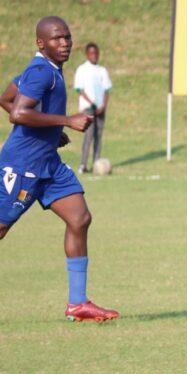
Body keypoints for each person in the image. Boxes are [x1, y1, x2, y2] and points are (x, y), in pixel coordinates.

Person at [0, 16, 119, 322]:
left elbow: (6, 98)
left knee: (80, 218)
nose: (64, 43)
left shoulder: (46, 68)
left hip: (49, 164)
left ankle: (78, 304)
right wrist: (66, 121)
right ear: (41, 43)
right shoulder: (42, 72)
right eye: (56, 38)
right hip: (24, 166)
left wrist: (51, 132)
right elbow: (18, 112)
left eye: (67, 37)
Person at [73, 42, 111, 174]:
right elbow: (80, 89)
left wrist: (103, 106)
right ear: (87, 54)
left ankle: (96, 163)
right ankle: (83, 164)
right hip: (88, 108)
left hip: (100, 109)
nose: (94, 56)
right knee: (88, 135)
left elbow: (107, 90)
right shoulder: (82, 69)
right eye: (91, 53)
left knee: (98, 136)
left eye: (96, 53)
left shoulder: (102, 70)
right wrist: (92, 103)